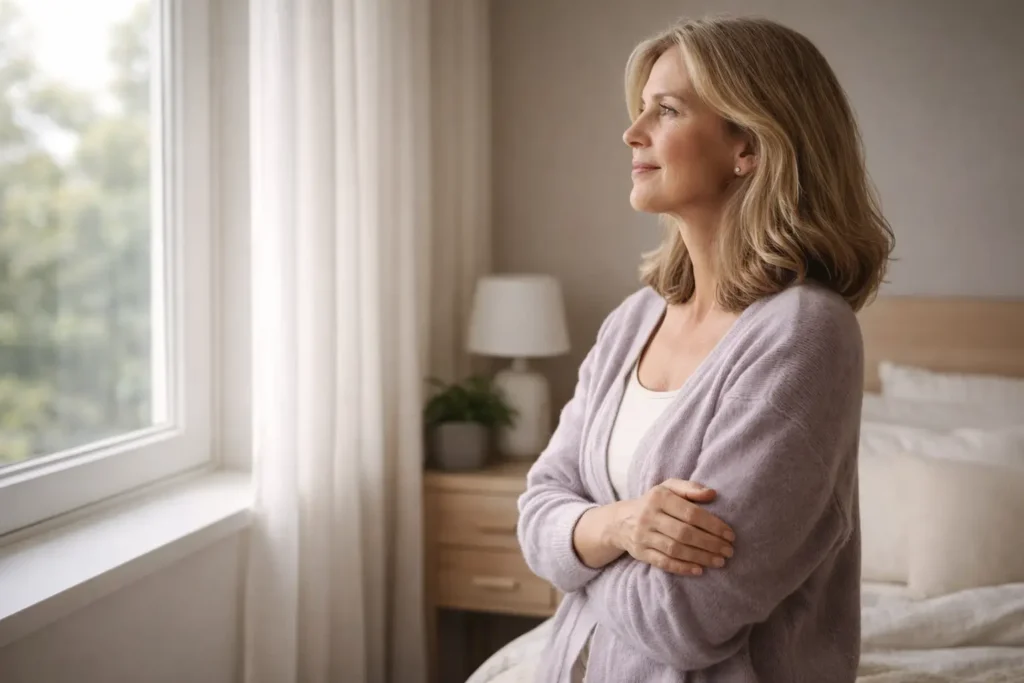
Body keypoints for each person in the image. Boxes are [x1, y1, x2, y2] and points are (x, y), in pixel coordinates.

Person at [516, 15, 894, 683]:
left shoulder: (805, 334)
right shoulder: (633, 321)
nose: (632, 134)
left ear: (746, 144)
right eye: (640, 111)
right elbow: (536, 509)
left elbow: (683, 618)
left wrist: (579, 557)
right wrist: (622, 527)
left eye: (666, 111)